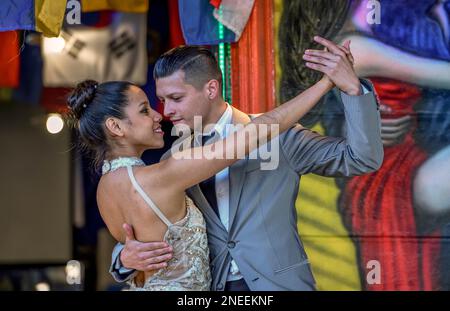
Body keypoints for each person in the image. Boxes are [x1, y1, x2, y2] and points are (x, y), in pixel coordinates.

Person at [108, 37, 383, 291]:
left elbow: (360, 159)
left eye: (176, 98)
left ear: (211, 89)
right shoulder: (172, 161)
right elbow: (144, 228)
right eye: (162, 100)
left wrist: (353, 90)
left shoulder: (278, 135)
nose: (166, 112)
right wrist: (123, 258)